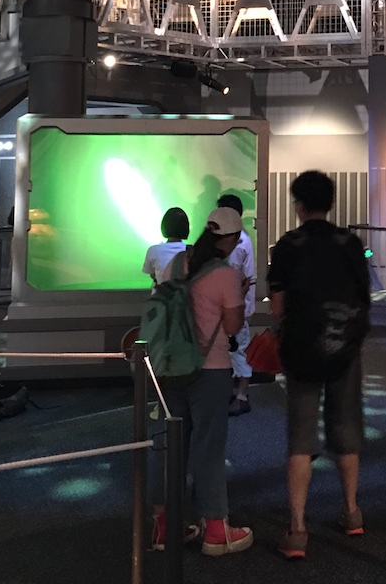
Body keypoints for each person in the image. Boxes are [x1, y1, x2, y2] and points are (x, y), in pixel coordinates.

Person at [268, 170, 371, 560]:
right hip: (345, 348)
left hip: (301, 350)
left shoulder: (288, 245)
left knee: (301, 436)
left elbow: (278, 307)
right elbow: (364, 298)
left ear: (298, 205)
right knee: (346, 427)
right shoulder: (350, 242)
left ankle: (297, 529)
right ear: (330, 203)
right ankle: (352, 512)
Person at [148, 207, 253, 556]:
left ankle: (165, 527)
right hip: (210, 369)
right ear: (231, 239)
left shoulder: (175, 264)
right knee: (208, 448)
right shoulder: (225, 275)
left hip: (170, 366)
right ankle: (216, 530)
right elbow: (233, 326)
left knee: (169, 444)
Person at [216, 193, 255, 416]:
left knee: (238, 350)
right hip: (231, 307)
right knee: (231, 351)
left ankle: (242, 396)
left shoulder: (241, 243)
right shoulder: (235, 239)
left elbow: (247, 281)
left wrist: (234, 305)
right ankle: (235, 394)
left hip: (236, 309)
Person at [142, 208, 190, 283]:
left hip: (161, 290)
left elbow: (152, 274)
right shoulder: (191, 251)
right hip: (185, 290)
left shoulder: (154, 250)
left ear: (164, 227)